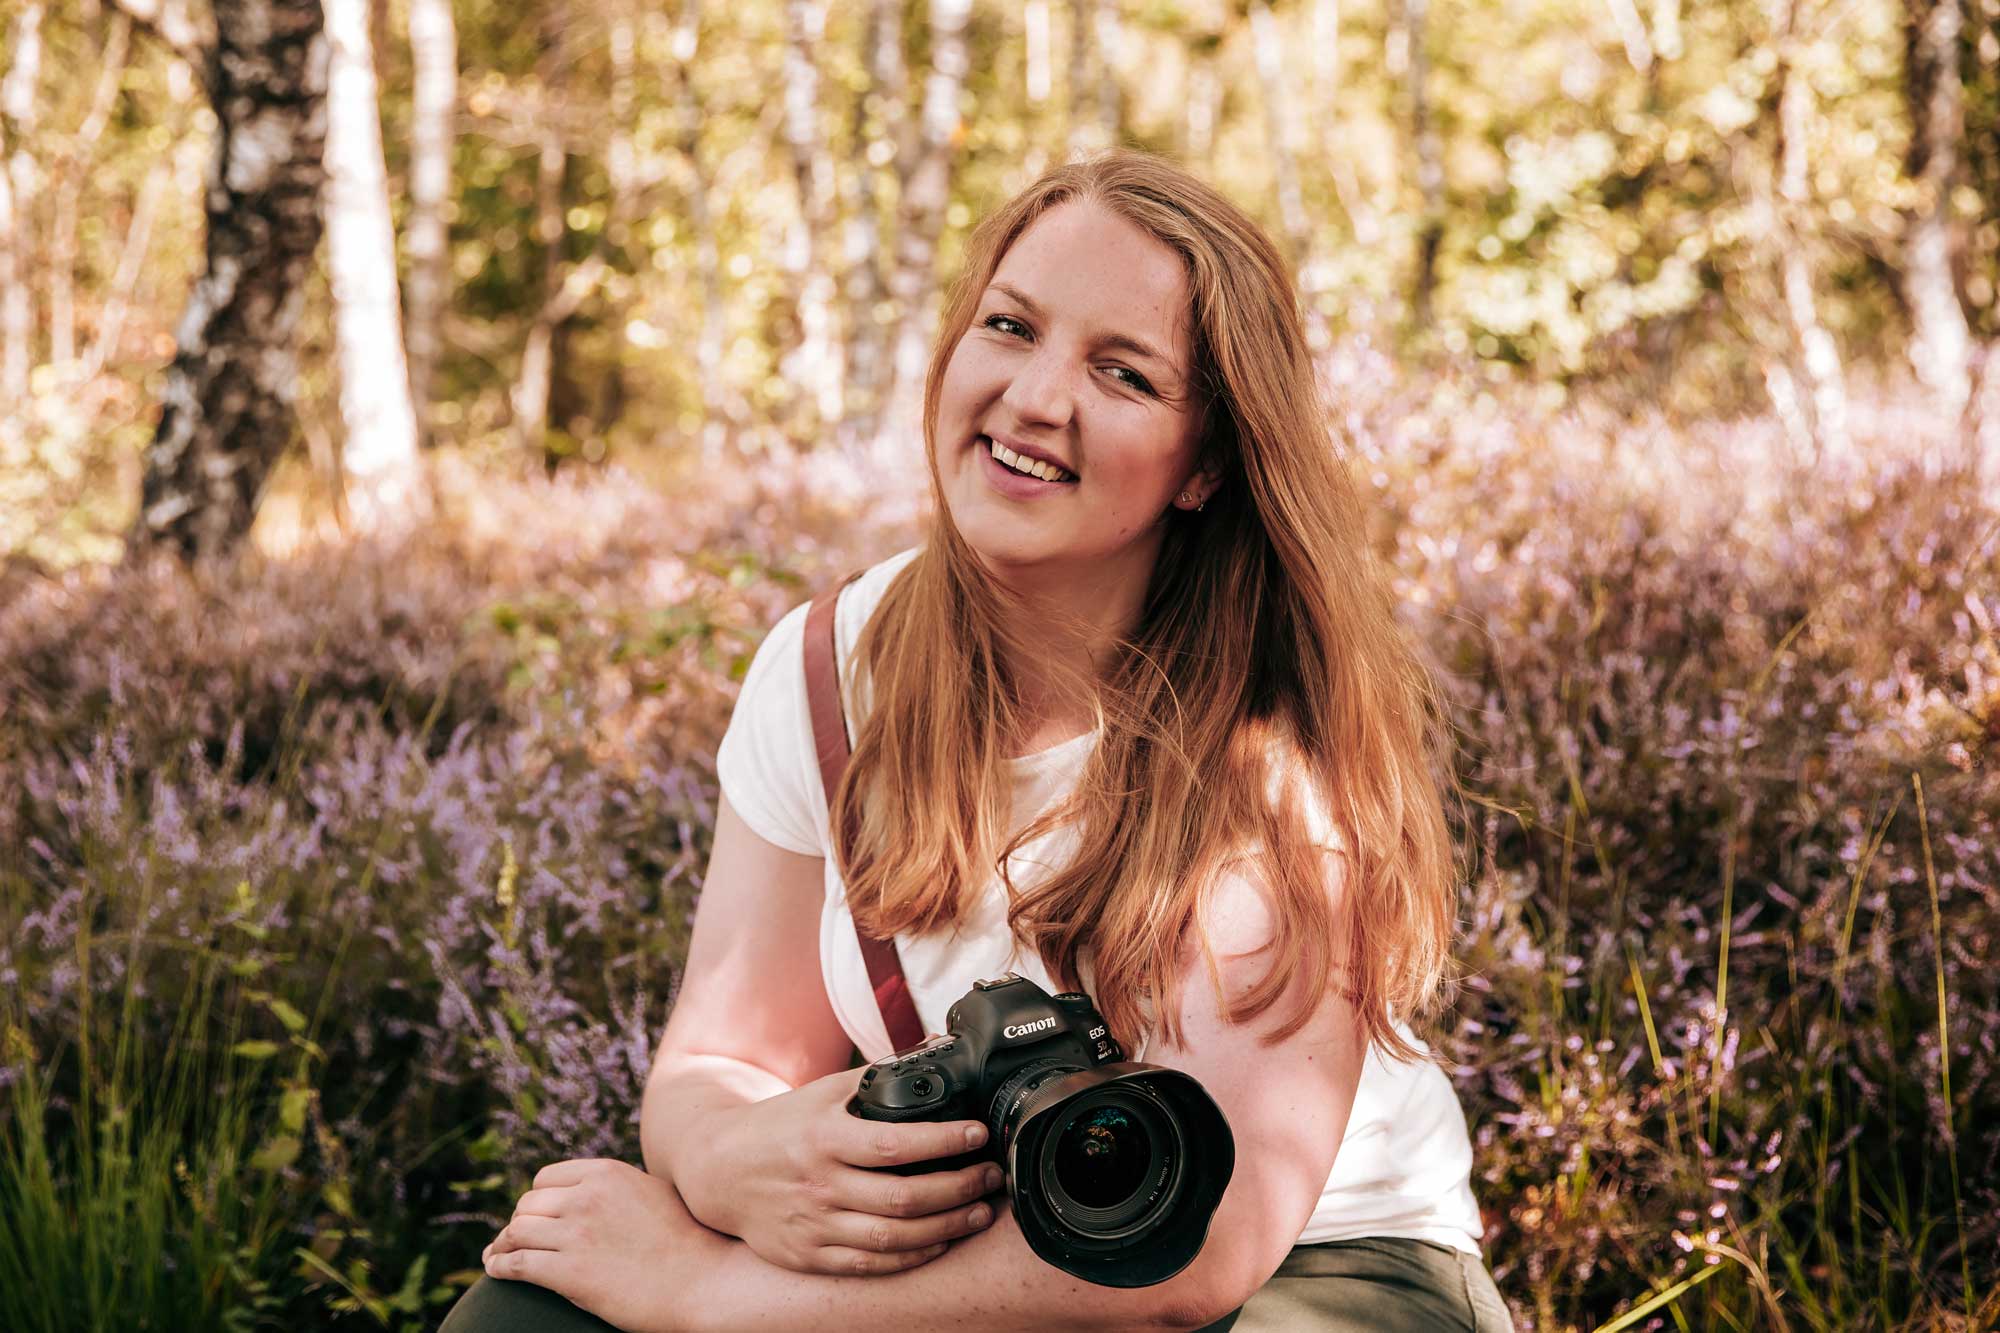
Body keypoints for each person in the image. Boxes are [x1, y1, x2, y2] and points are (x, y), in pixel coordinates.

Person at [440, 149, 1513, 1333]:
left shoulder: (1266, 740)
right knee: (522, 1315)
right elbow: (723, 1056)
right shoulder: (825, 670)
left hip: (1307, 1272)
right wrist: (727, 1157)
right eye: (1010, 326)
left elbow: (1199, 1256)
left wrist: (706, 1292)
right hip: (977, 1227)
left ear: (1204, 463)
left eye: (1122, 372)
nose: (1035, 398)